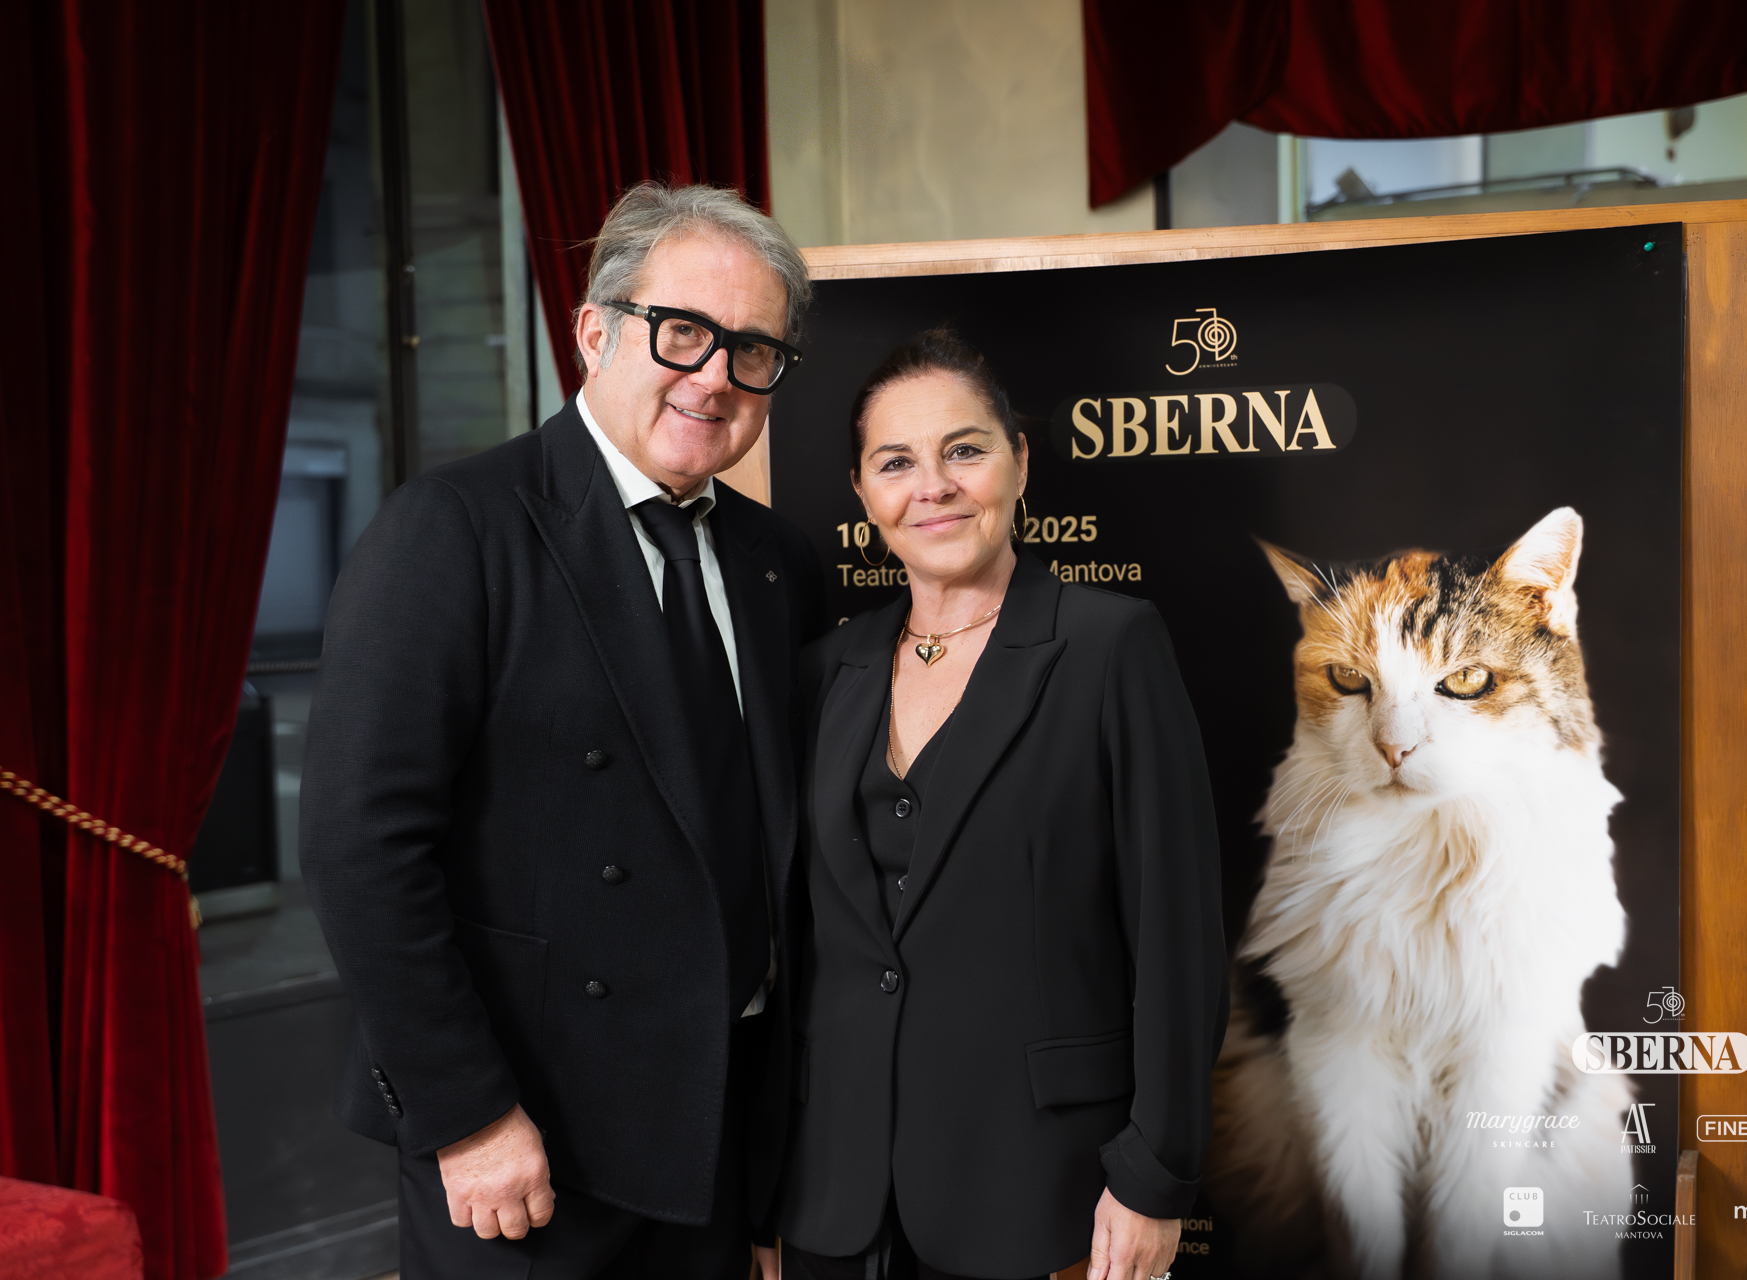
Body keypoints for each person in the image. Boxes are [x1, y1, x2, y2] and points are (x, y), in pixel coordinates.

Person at [302, 182, 824, 1279]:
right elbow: (362, 848)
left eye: (753, 350)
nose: (715, 377)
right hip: (529, 1139)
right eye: (682, 331)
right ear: (595, 331)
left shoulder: (777, 562)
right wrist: (466, 1113)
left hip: (718, 1126)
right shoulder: (455, 528)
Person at [777, 330, 1227, 1280]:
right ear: (861, 492)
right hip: (835, 1196)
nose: (933, 486)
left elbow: (1177, 939)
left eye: (965, 450)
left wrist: (1156, 1176)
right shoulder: (824, 670)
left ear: (1019, 462)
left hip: (1041, 1188)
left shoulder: (1110, 646)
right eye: (895, 462)